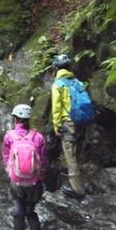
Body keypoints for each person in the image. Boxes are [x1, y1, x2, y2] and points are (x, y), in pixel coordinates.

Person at [2, 104, 46, 230]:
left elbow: (5, 157)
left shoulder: (9, 136)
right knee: (30, 212)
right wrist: (39, 177)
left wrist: (10, 173)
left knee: (19, 211)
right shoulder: (38, 137)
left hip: (17, 181)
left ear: (15, 118)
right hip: (34, 182)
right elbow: (43, 160)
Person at [51, 54, 86, 199]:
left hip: (68, 122)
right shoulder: (77, 82)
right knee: (77, 153)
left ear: (56, 68)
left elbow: (56, 107)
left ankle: (77, 189)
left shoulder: (58, 84)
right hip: (81, 122)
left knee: (70, 155)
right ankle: (80, 183)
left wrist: (56, 126)